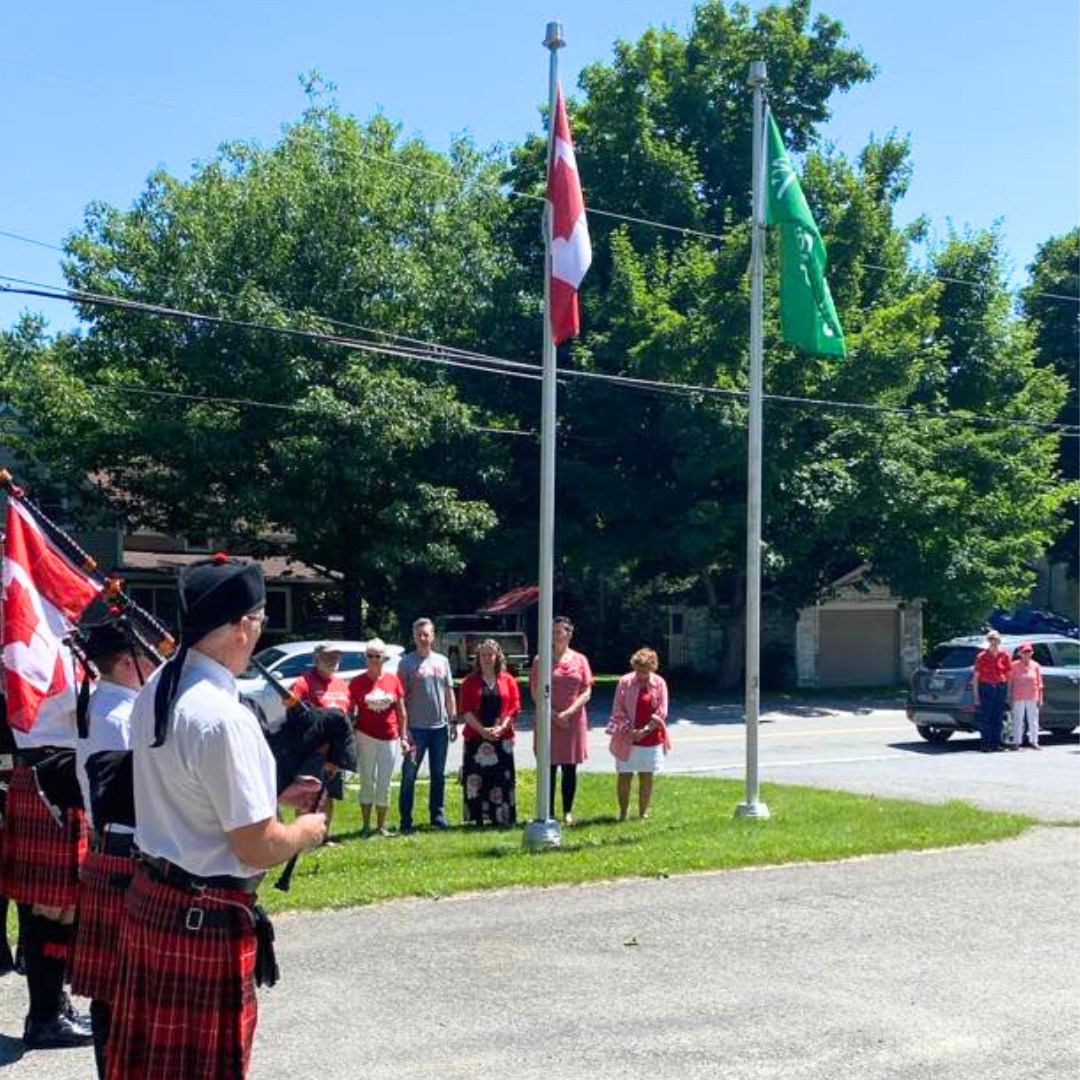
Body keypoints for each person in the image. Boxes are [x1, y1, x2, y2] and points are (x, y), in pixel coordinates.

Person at [107, 555, 326, 1080]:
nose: (260, 628)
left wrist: (272, 790)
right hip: (201, 919)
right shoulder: (222, 717)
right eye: (260, 617)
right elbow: (255, 846)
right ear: (238, 626)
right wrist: (305, 832)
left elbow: (191, 789)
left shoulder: (159, 687)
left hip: (155, 901)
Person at [70, 622, 158, 1078]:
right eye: (147, 657)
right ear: (127, 662)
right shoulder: (121, 719)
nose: (155, 664)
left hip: (111, 854)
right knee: (123, 990)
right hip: (126, 856)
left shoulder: (105, 707)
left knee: (113, 989)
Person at [0, 647, 93, 1049]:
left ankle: (52, 1003)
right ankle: (45, 1017)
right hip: (48, 777)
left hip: (49, 775)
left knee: (58, 907)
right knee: (51, 909)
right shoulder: (31, 644)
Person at [530, 615, 593, 826]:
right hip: (548, 720)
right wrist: (554, 715)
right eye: (553, 631)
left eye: (560, 631)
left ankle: (567, 811)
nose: (556, 635)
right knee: (548, 766)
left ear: (569, 634)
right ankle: (548, 811)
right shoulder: (541, 660)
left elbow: (586, 690)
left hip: (573, 721)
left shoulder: (580, 660)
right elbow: (535, 691)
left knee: (569, 767)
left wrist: (568, 713)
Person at [397, 617, 457, 833]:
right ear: (414, 637)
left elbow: (449, 692)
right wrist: (403, 732)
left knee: (438, 775)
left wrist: (453, 720)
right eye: (419, 634)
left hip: (439, 729)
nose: (423, 638)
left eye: (427, 634)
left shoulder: (442, 661)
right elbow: (400, 699)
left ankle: (437, 816)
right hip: (415, 730)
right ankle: (405, 820)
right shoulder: (406, 663)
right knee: (409, 775)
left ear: (433, 636)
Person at [291, 643, 351, 842]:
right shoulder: (302, 683)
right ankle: (302, 837)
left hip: (334, 751)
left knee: (329, 795)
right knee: (308, 795)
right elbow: (293, 715)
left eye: (336, 657)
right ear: (316, 659)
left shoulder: (342, 685)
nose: (333, 661)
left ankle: (324, 836)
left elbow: (347, 715)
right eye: (328, 657)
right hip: (312, 751)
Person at [348, 638, 407, 837]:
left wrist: (404, 737)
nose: (373, 660)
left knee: (385, 783)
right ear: (365, 658)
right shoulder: (356, 682)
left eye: (377, 656)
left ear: (384, 658)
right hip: (365, 737)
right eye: (370, 656)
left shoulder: (393, 680)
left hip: (390, 737)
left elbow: (401, 711)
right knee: (366, 781)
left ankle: (381, 826)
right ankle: (365, 826)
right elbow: (349, 712)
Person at [459, 639, 520, 826]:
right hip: (476, 738)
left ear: (497, 656)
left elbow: (514, 708)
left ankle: (501, 817)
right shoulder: (469, 682)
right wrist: (482, 731)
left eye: (490, 654)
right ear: (478, 657)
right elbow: (466, 710)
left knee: (501, 778)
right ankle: (476, 817)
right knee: (476, 778)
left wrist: (502, 728)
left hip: (502, 738)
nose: (487, 658)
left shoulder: (508, 680)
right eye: (483, 654)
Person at [608, 648, 671, 821]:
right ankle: (622, 813)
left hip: (650, 738)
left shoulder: (659, 683)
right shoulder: (625, 682)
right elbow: (617, 708)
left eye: (645, 670)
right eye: (638, 669)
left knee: (646, 775)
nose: (641, 674)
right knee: (624, 775)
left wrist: (646, 730)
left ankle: (643, 813)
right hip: (626, 737)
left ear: (653, 668)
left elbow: (662, 710)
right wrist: (630, 730)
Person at [973, 630, 1011, 753]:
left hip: (1000, 687)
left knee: (998, 718)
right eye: (991, 640)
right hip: (986, 688)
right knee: (986, 718)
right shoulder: (982, 656)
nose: (994, 643)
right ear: (988, 641)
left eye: (996, 640)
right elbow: (976, 677)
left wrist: (1009, 693)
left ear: (999, 641)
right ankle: (986, 744)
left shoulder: (1004, 655)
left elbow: (1009, 675)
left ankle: (997, 744)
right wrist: (976, 696)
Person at [1007, 641, 1044, 751]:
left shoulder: (1035, 665)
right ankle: (1016, 742)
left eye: (1029, 652)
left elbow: (1039, 683)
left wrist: (1040, 698)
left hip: (1033, 695)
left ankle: (1034, 741)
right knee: (1018, 720)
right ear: (1020, 653)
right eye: (1024, 652)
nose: (1027, 654)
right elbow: (1010, 682)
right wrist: (1009, 696)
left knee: (1033, 720)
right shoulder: (1014, 665)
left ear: (1032, 653)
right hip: (1018, 696)